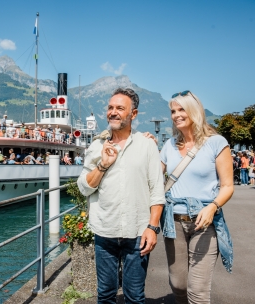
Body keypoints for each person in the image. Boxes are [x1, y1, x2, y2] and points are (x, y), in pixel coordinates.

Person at [77, 88, 165, 303]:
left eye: (119, 108)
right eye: (110, 107)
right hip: (105, 231)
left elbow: (157, 190)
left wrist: (152, 228)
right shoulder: (97, 146)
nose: (113, 112)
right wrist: (103, 166)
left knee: (134, 295)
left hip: (138, 233)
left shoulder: (147, 145)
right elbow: (84, 187)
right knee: (105, 295)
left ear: (133, 114)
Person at [160, 90, 234, 304]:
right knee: (178, 285)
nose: (176, 115)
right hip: (173, 223)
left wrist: (212, 207)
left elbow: (228, 186)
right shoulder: (169, 145)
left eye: (181, 109)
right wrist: (144, 143)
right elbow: (152, 178)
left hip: (205, 223)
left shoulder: (216, 143)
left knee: (198, 291)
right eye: (173, 111)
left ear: (194, 111)